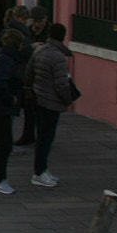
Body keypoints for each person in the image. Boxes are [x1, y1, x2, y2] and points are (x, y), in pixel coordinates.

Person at [26, 22, 75, 187]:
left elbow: (29, 73)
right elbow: (62, 84)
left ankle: (42, 170)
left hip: (38, 98)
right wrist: (68, 100)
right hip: (51, 102)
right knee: (46, 138)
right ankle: (39, 172)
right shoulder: (58, 57)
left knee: (42, 136)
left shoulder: (39, 50)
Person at [0, 29, 28, 195]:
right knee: (5, 143)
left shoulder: (0, 57)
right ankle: (0, 180)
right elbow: (0, 83)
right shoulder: (9, 61)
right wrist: (11, 98)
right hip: (1, 106)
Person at [16, 6, 51, 144]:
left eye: (39, 21)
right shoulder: (28, 31)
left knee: (43, 109)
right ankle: (28, 134)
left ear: (45, 20)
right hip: (30, 74)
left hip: (44, 74)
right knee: (30, 107)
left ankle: (43, 136)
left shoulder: (50, 33)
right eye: (34, 21)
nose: (36, 24)